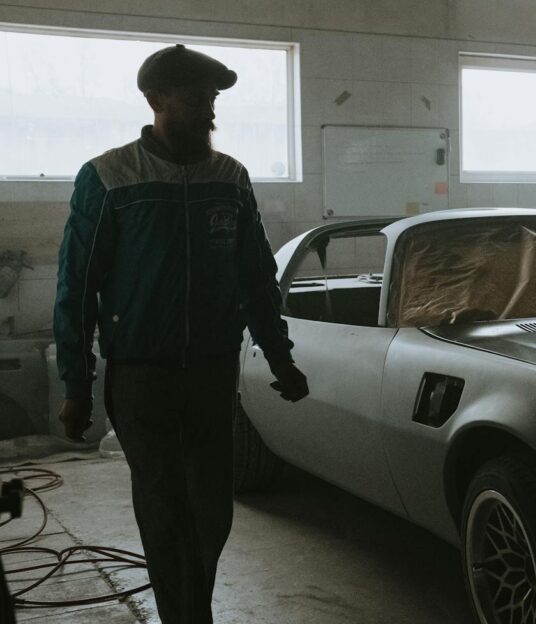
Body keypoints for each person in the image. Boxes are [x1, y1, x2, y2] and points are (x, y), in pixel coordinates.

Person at [53, 44, 309, 624]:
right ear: (156, 100)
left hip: (212, 372)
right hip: (142, 376)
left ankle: (193, 606)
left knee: (212, 508)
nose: (208, 110)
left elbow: (256, 277)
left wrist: (280, 358)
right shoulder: (109, 176)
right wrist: (76, 384)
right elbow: (77, 285)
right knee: (166, 506)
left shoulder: (230, 177)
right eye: (196, 98)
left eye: (213, 98)